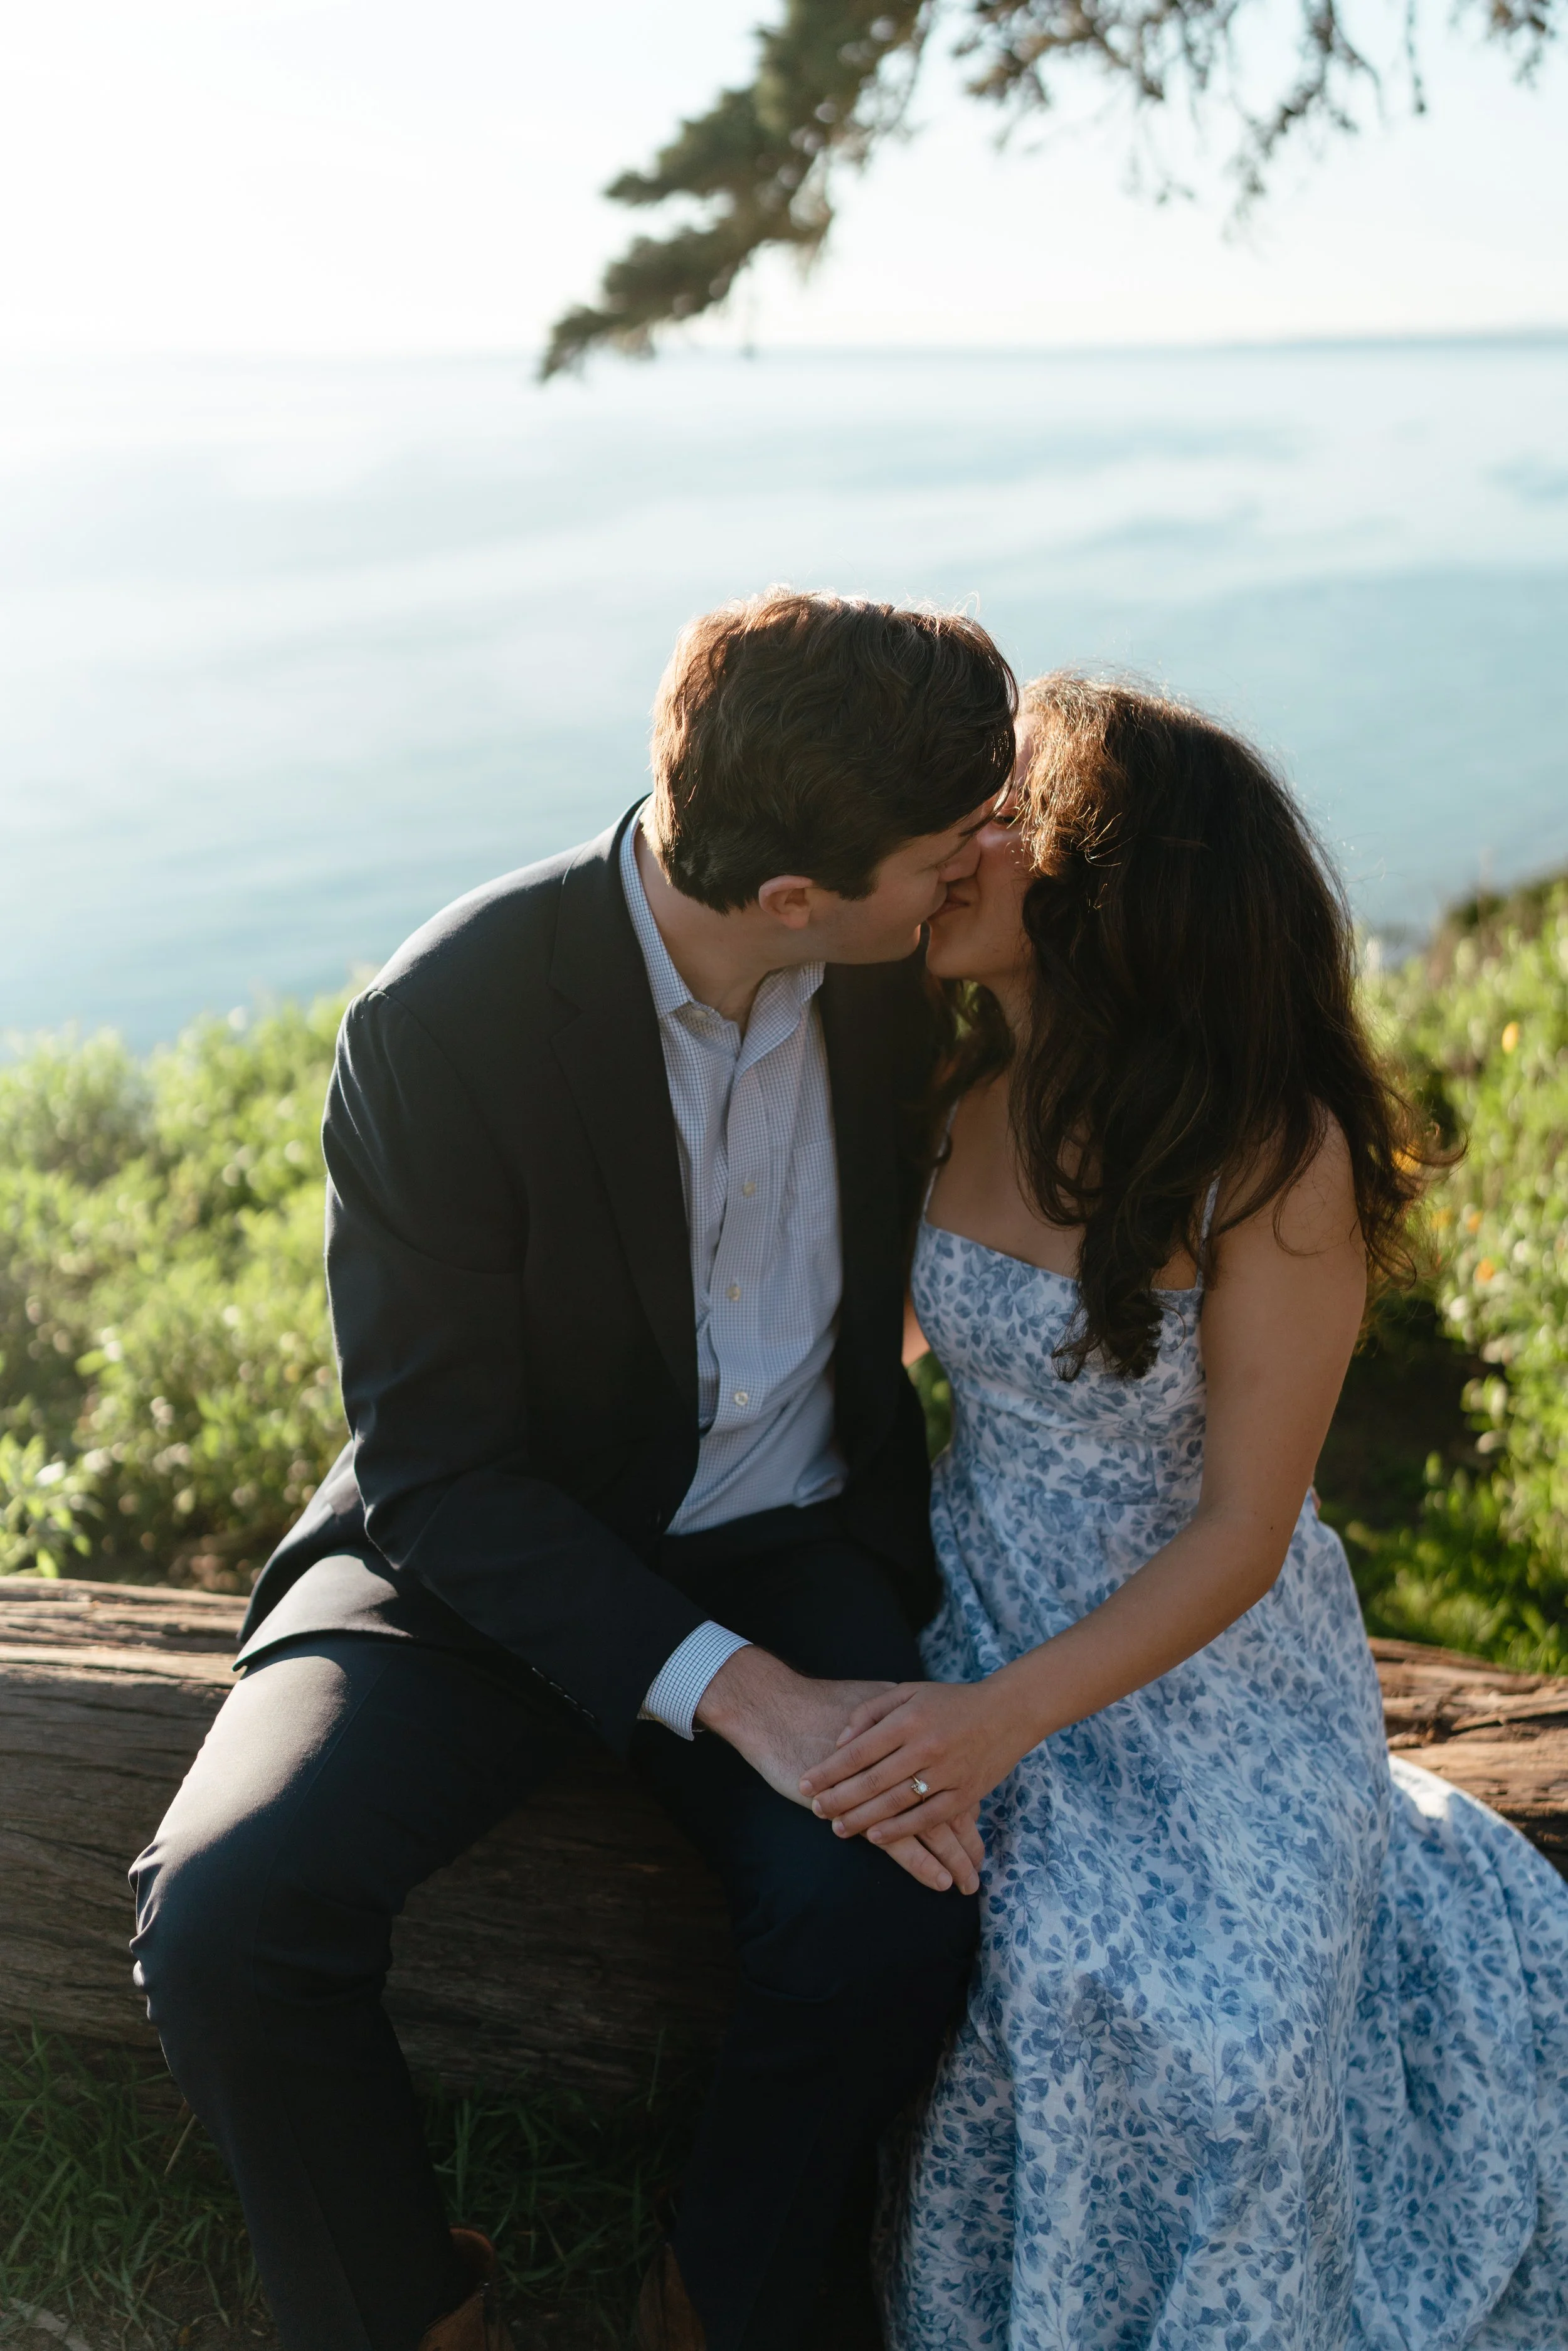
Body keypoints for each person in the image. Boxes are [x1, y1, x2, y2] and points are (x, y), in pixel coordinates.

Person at [128, 590, 1019, 2351]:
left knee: (888, 1926)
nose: (981, 863)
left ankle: (717, 2301)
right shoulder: (441, 1022)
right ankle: (400, 2318)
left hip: (792, 1532)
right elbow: (439, 1470)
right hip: (480, 1549)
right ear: (794, 901)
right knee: (226, 1915)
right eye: (945, 845)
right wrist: (735, 1694)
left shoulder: (910, 976)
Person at [801, 675, 1568, 2348]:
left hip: (1202, 1639)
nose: (953, 847)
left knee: (1213, 2013)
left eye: (997, 820)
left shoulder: (1268, 1158)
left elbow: (1241, 1530)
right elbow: (884, 1350)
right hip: (976, 1581)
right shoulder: (943, 1090)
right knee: (1026, 1960)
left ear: (1100, 882)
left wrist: (998, 1721)